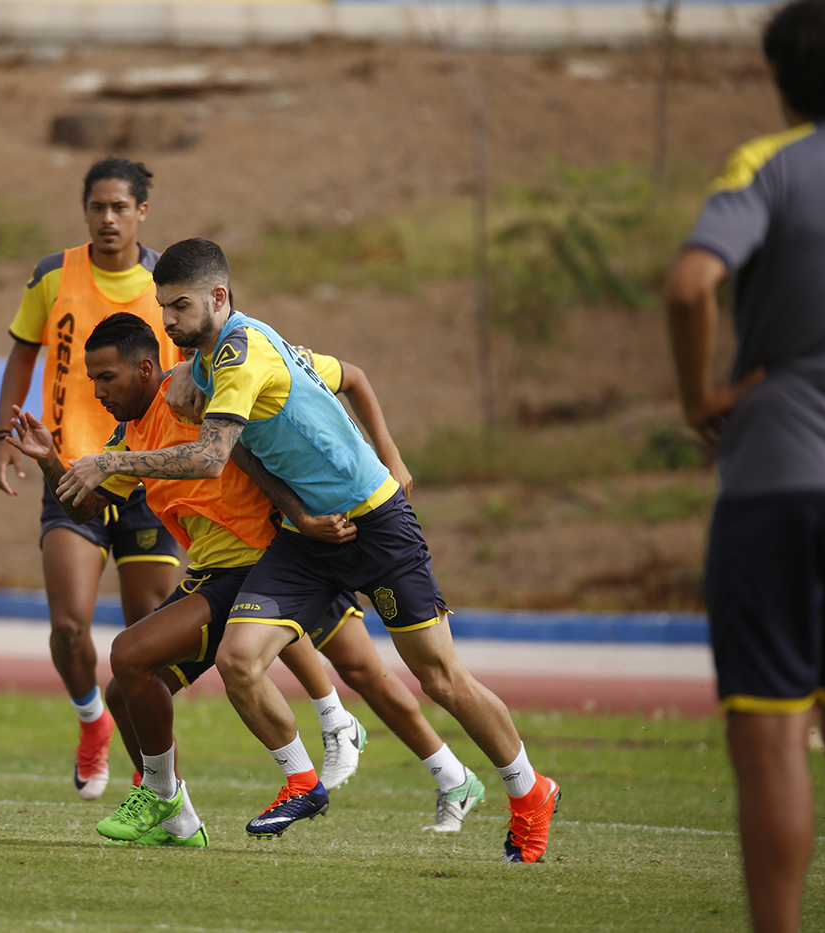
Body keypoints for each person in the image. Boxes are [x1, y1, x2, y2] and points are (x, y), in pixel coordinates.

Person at [57, 239, 558, 859]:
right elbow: (249, 450)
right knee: (241, 660)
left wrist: (391, 457)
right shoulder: (209, 361)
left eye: (179, 307)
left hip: (374, 522)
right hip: (306, 539)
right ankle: (303, 781)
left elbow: (213, 456)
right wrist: (295, 509)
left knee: (439, 678)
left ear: (219, 297)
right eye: (163, 308)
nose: (168, 322)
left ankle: (527, 790)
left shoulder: (243, 354)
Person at [9, 312, 487, 845]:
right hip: (232, 572)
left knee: (364, 668)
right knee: (128, 689)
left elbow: (337, 384)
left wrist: (382, 461)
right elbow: (87, 507)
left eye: (106, 379)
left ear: (146, 368)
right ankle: (181, 811)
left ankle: (400, 754)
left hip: (280, 557)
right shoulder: (131, 435)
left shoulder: (212, 384)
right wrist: (51, 461)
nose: (97, 392)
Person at [663, 2, 825, 928]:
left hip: (779, 481)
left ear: (777, 75)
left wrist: (700, 399)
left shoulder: (764, 165)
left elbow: (692, 284)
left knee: (771, 742)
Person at [0, 158, 183, 802]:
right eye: (97, 206)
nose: (107, 218)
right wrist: (2, 435)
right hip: (68, 473)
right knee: (70, 627)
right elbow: (23, 352)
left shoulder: (166, 284)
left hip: (147, 480)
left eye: (120, 207)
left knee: (145, 644)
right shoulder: (53, 275)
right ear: (84, 211)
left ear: (142, 212)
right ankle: (92, 720)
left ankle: (151, 775)